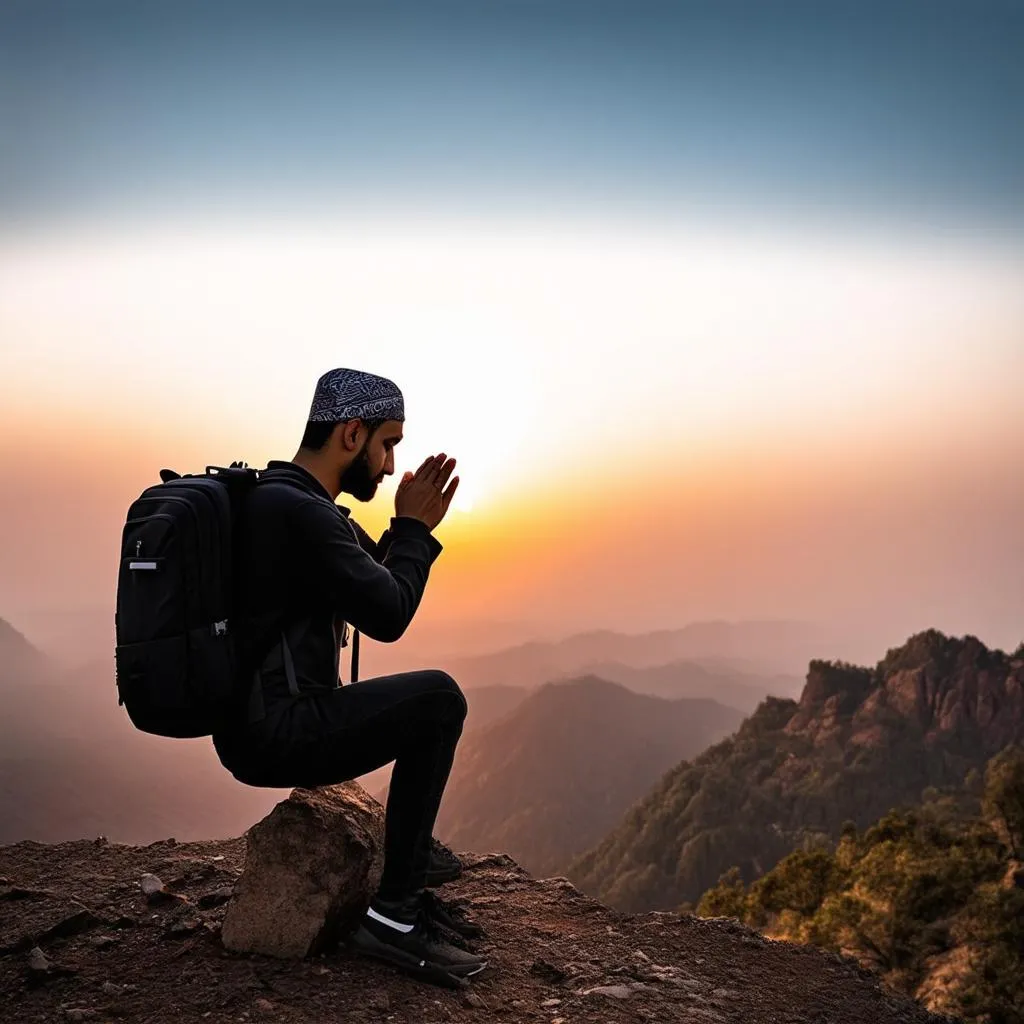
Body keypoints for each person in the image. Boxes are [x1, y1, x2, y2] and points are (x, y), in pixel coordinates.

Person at [211, 367, 487, 987]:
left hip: (259, 727)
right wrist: (414, 529)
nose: (390, 466)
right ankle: (394, 918)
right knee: (439, 699)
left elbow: (375, 576)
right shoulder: (299, 513)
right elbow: (388, 614)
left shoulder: (288, 499)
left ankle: (406, 869)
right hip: (279, 732)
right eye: (387, 444)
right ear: (352, 433)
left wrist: (408, 529)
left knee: (431, 702)